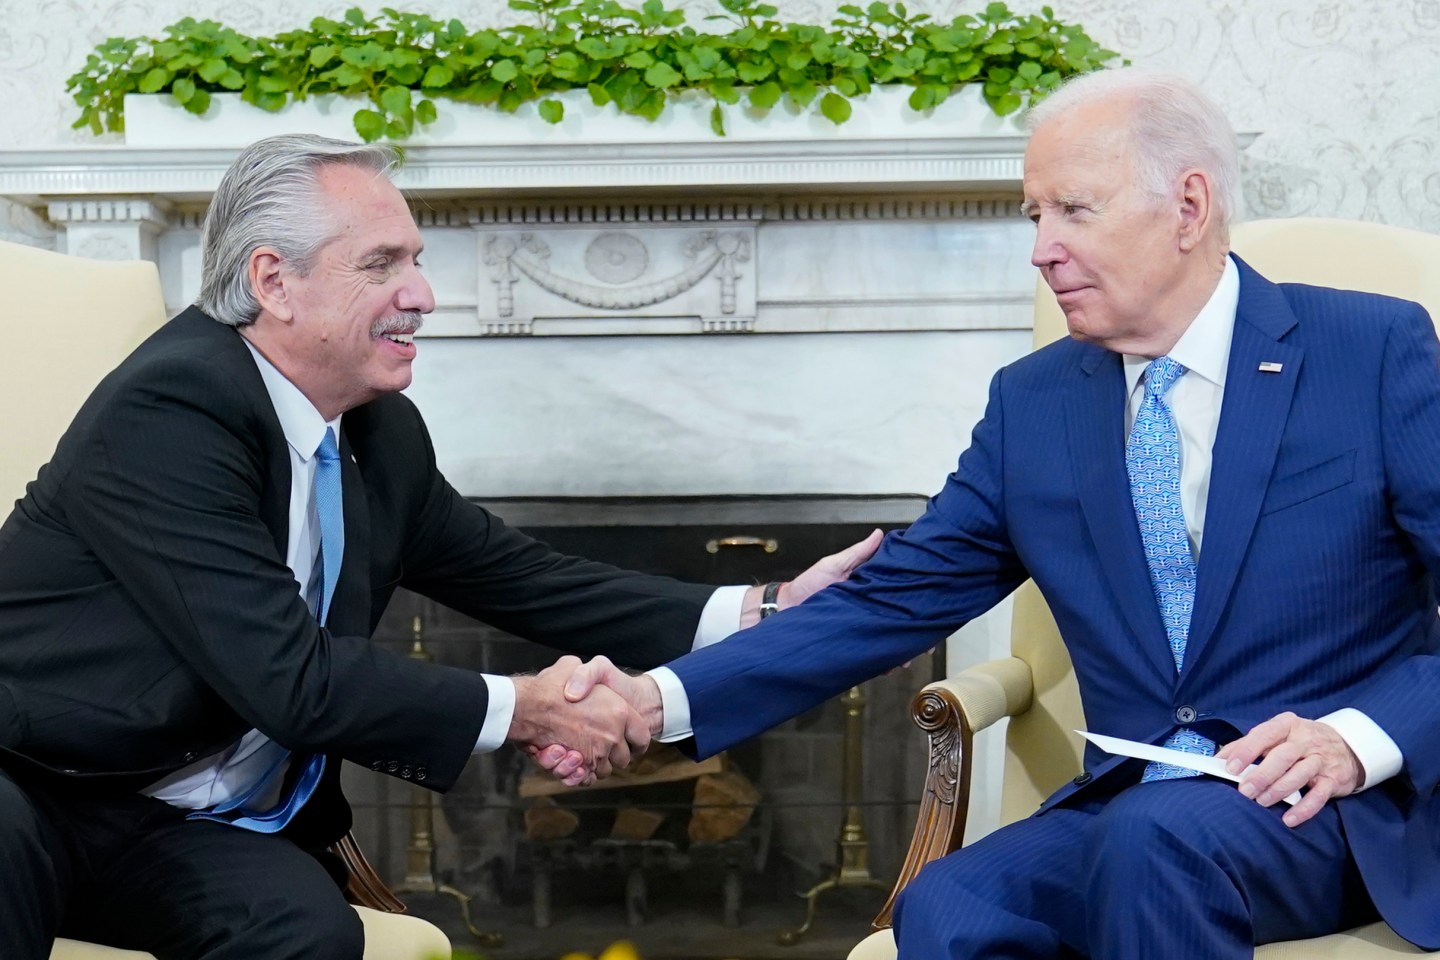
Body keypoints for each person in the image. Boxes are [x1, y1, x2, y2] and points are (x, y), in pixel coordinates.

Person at [559, 68, 1440, 957]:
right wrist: (653, 700)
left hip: (1338, 807)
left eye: (1073, 210)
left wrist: (1358, 738)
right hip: (1142, 801)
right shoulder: (1035, 403)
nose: (1041, 250)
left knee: (1158, 842)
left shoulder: (1370, 350)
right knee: (945, 906)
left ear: (1189, 206)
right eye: (1034, 217)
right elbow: (889, 597)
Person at [0, 133, 879, 960]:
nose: (421, 294)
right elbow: (291, 680)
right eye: (383, 263)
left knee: (307, 934)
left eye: (416, 261)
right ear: (274, 281)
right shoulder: (176, 405)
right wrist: (535, 707)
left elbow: (519, 574)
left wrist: (761, 610)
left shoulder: (378, 431)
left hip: (188, 821)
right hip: (36, 783)